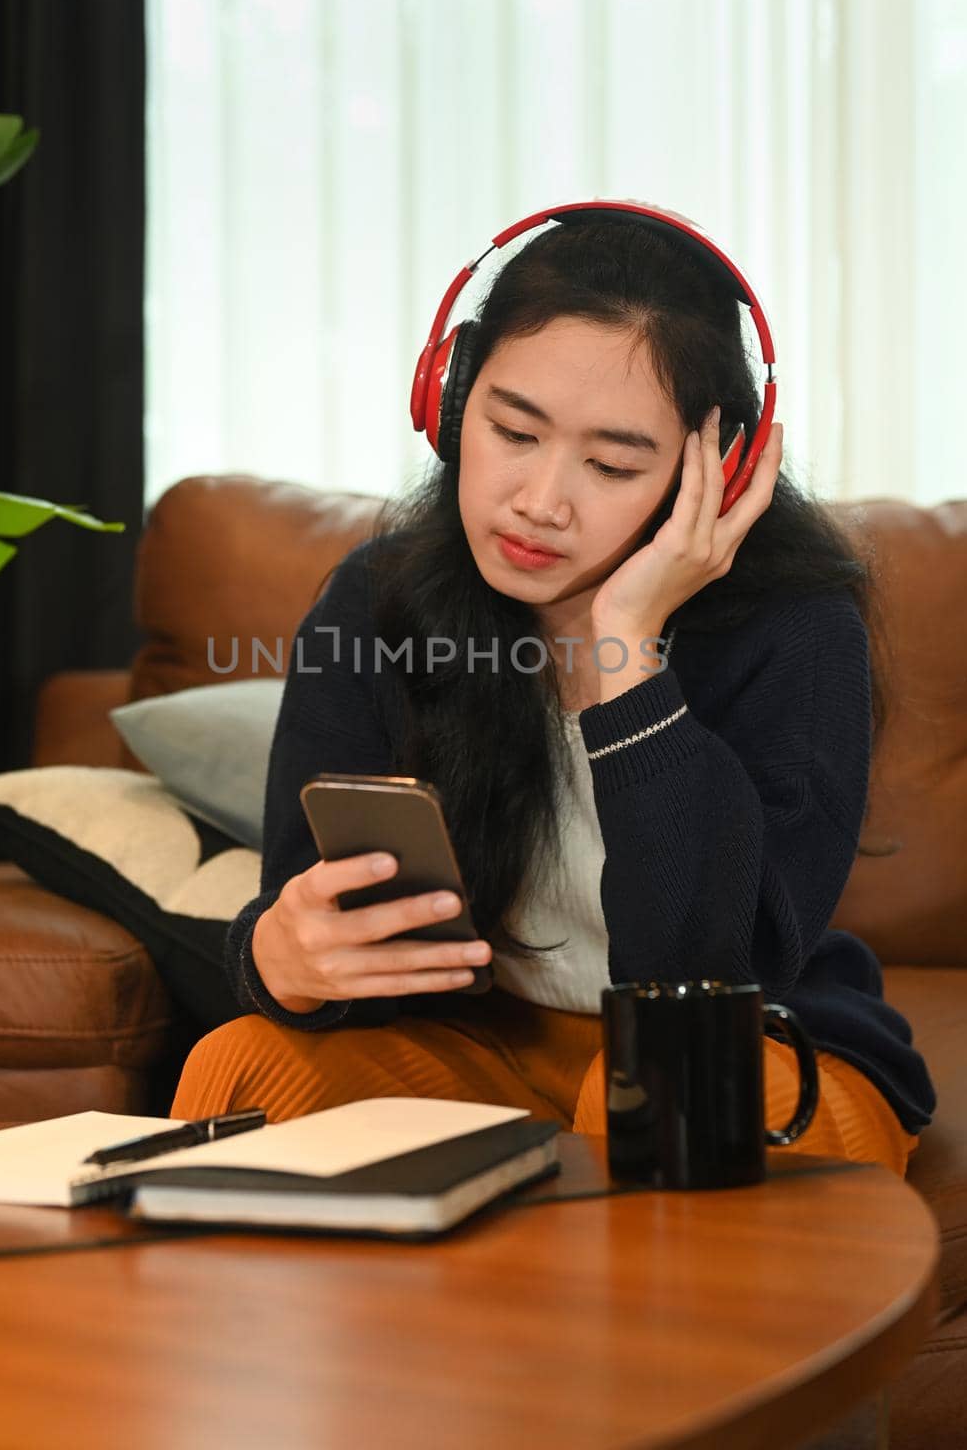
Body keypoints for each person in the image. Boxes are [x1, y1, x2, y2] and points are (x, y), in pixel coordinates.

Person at [171, 206, 936, 1176]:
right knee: (242, 1066)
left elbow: (700, 977)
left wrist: (623, 656)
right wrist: (273, 957)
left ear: (716, 468)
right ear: (445, 401)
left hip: (750, 1042)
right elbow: (302, 913)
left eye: (611, 463)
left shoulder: (794, 632)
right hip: (476, 1041)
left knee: (669, 1107)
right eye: (511, 430)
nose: (540, 500)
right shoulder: (373, 602)